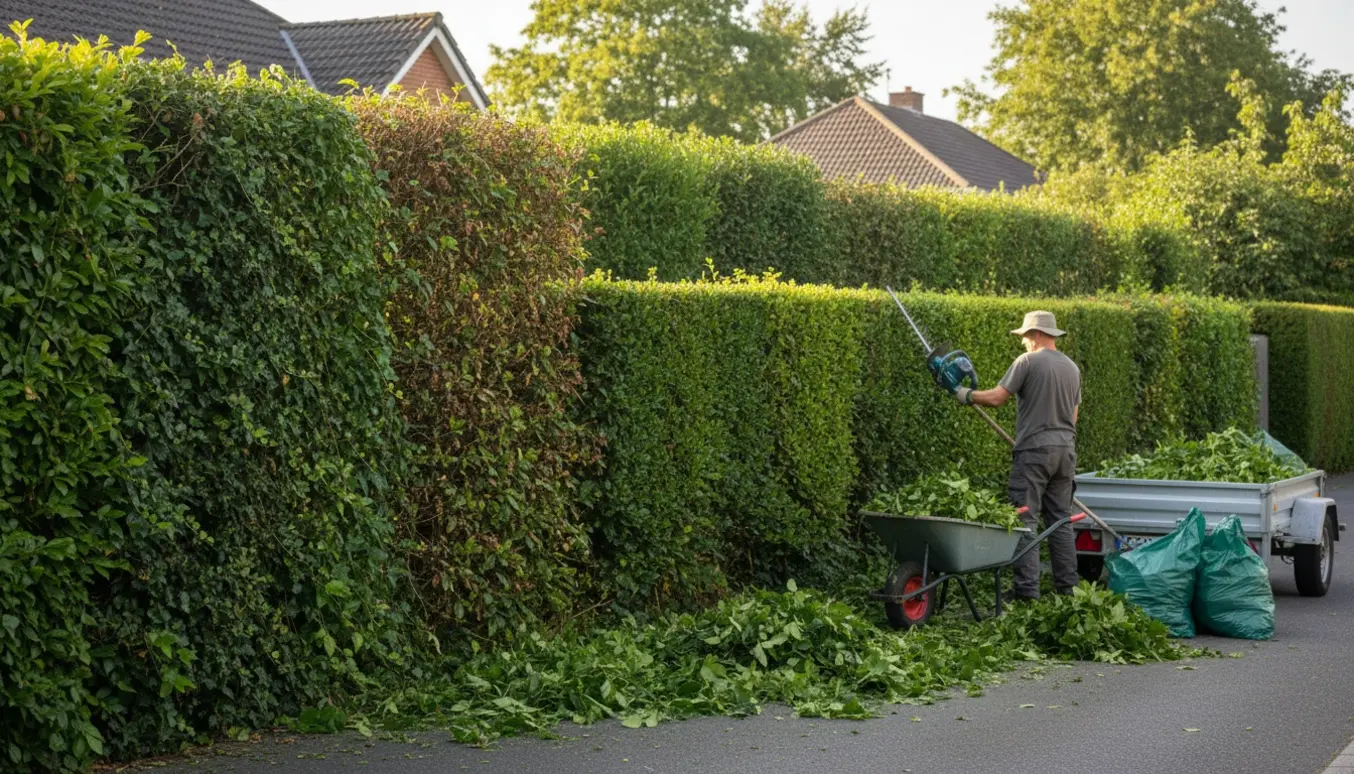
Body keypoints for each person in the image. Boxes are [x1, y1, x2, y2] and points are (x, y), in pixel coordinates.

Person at [953, 311, 1081, 601]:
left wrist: (966, 395)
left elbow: (998, 398)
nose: (1023, 342)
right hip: (1065, 451)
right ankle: (1069, 592)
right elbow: (1073, 416)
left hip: (1034, 452)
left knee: (1026, 521)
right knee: (1061, 521)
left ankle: (1026, 594)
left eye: (1024, 337)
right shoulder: (1072, 368)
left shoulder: (1027, 362)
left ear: (1036, 335)